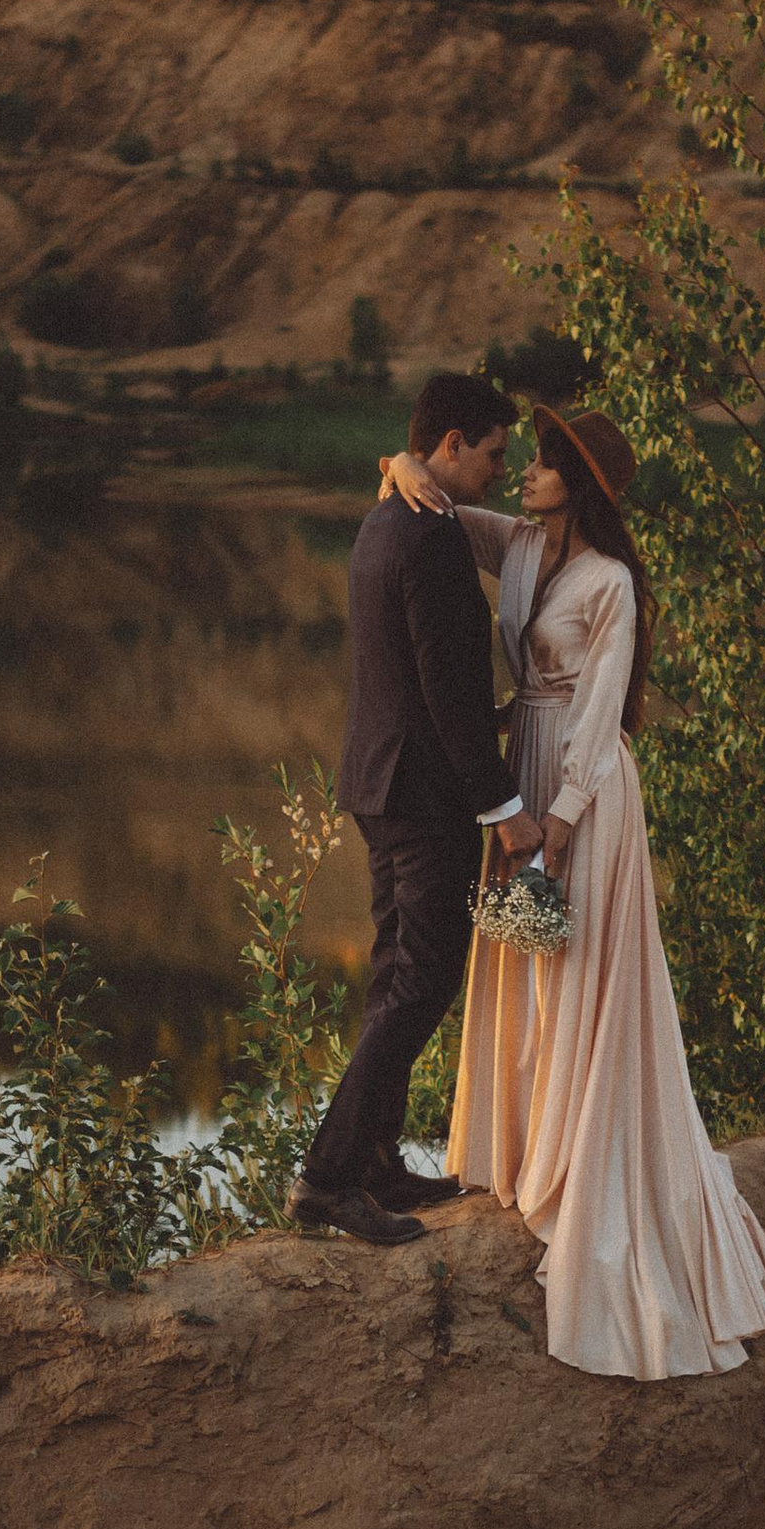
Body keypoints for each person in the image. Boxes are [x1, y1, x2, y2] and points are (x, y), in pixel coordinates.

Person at [383, 397, 765, 1380]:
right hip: (519, 769)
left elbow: (604, 710)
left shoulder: (610, 581)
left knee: (579, 963)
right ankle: (522, 1149)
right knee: (521, 963)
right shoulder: (521, 548)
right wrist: (399, 463)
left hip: (583, 789)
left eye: (540, 463)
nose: (522, 471)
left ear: (581, 483)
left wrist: (557, 826)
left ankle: (586, 1165)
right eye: (519, 459)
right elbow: (428, 495)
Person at [291, 371, 544, 1248]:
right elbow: (443, 690)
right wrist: (503, 805)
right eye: (493, 455)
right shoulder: (432, 537)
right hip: (422, 794)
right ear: (450, 445)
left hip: (379, 784)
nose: (500, 473)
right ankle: (327, 1178)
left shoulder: (385, 517)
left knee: (396, 972)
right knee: (423, 981)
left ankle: (371, 1161)